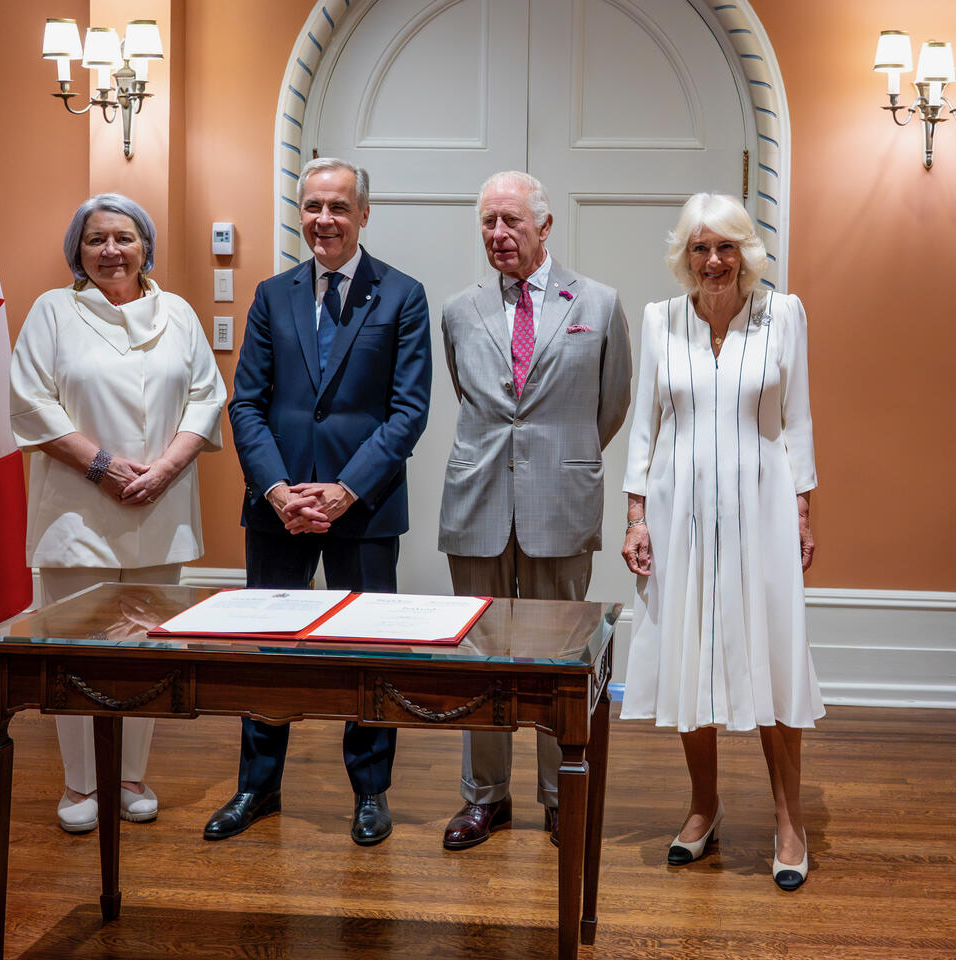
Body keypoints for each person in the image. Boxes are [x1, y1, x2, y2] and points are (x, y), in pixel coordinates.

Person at [212, 157, 431, 847]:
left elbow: (408, 411)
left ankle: (370, 793)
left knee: (370, 652)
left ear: (363, 213)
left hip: (362, 508)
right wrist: (277, 490)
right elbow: (245, 403)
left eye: (337, 207)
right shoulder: (273, 295)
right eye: (312, 207)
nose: (323, 220)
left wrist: (344, 491)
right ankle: (257, 787)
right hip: (277, 508)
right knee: (268, 652)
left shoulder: (401, 295)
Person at [620, 193, 822, 891]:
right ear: (685, 255)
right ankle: (703, 807)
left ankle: (789, 820)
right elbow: (645, 424)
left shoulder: (782, 314)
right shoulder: (660, 321)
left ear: (747, 253)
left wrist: (802, 512)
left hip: (762, 509)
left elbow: (796, 420)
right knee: (690, 654)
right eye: (700, 248)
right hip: (679, 513)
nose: (713, 261)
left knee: (773, 658)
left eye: (726, 247)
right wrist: (636, 516)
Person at [9, 193, 226, 833]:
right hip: (76, 517)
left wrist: (163, 469)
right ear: (77, 251)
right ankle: (80, 784)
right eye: (96, 239)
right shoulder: (53, 311)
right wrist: (100, 465)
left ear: (145, 248)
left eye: (124, 238)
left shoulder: (179, 313)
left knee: (146, 654)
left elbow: (206, 400)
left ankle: (129, 777)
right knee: (75, 652)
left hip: (160, 510)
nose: (111, 251)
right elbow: (30, 404)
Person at [438, 171, 632, 850]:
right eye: (488, 222)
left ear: (545, 227)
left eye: (512, 222)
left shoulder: (601, 305)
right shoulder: (460, 310)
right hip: (478, 501)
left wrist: (561, 459)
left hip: (562, 501)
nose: (498, 235)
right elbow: (468, 395)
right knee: (478, 658)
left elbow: (611, 404)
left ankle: (559, 795)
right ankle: (485, 798)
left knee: (561, 660)